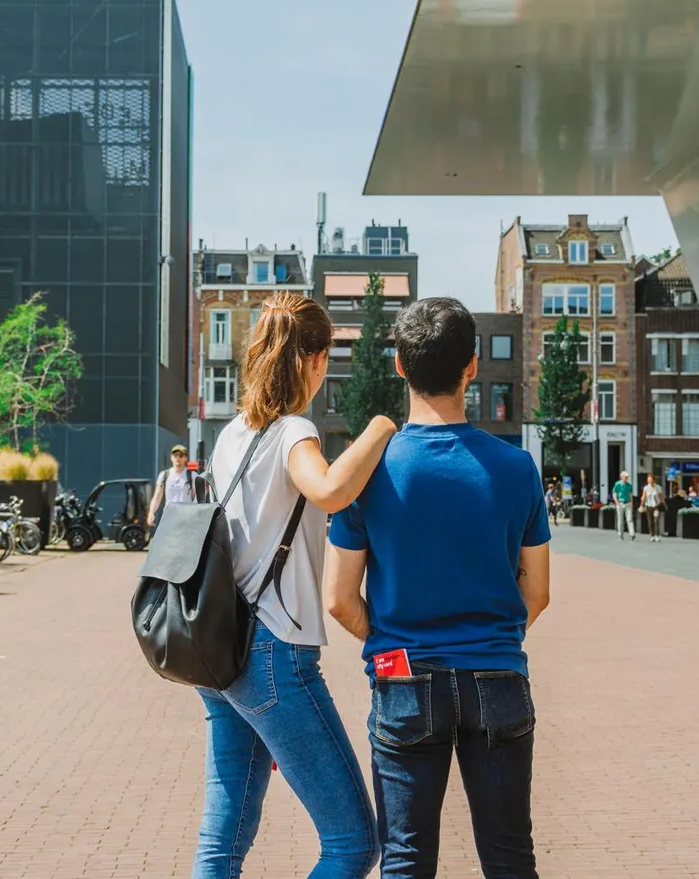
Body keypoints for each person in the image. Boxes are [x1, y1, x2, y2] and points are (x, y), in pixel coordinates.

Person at [326, 298, 551, 878]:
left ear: (399, 365)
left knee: (405, 857)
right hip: (498, 675)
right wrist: (492, 639)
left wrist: (391, 640)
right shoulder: (516, 466)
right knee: (509, 857)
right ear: (471, 367)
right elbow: (538, 592)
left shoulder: (367, 473)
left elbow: (339, 598)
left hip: (404, 676)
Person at [191, 292, 388, 879]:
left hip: (221, 652)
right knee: (353, 843)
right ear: (317, 360)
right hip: (276, 654)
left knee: (221, 842)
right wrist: (380, 427)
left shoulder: (231, 435)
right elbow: (328, 490)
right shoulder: (294, 431)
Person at [147, 444, 196, 527]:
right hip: (169, 518)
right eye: (175, 455)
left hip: (187, 518)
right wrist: (151, 513)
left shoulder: (193, 476)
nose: (177, 458)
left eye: (180, 455)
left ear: (186, 458)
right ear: (171, 457)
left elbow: (198, 499)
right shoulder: (164, 475)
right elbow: (157, 497)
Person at [639, 473, 665, 543]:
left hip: (656, 506)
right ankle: (652, 535)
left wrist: (664, 503)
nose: (649, 480)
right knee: (650, 522)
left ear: (654, 480)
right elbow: (643, 497)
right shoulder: (646, 488)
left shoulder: (658, 487)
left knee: (656, 521)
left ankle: (657, 535)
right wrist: (641, 505)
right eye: (648, 479)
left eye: (650, 479)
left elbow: (661, 496)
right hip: (648, 506)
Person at [613, 471, 636, 541]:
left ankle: (632, 534)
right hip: (620, 503)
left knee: (629, 519)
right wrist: (616, 501)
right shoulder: (618, 484)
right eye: (625, 477)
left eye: (627, 477)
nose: (626, 478)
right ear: (622, 477)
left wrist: (631, 503)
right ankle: (620, 534)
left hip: (627, 503)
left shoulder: (629, 485)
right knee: (620, 520)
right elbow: (614, 493)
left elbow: (630, 495)